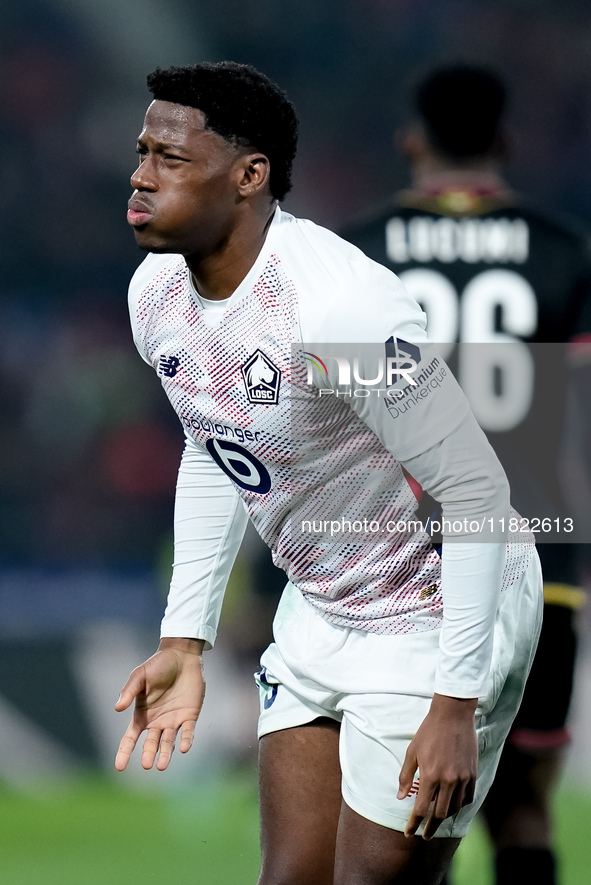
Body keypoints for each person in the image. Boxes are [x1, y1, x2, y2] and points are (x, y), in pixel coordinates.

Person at [115, 61, 542, 885]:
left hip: (436, 611)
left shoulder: (338, 309)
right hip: (321, 610)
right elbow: (215, 443)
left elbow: (475, 490)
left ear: (248, 176)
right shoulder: (155, 296)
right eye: (142, 151)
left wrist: (457, 701)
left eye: (171, 158)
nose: (140, 175)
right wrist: (184, 639)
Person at [342, 64, 591, 885]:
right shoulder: (562, 250)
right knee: (520, 805)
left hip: (393, 567)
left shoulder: (360, 252)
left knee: (399, 806)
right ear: (505, 143)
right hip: (538, 559)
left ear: (411, 142)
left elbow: (331, 428)